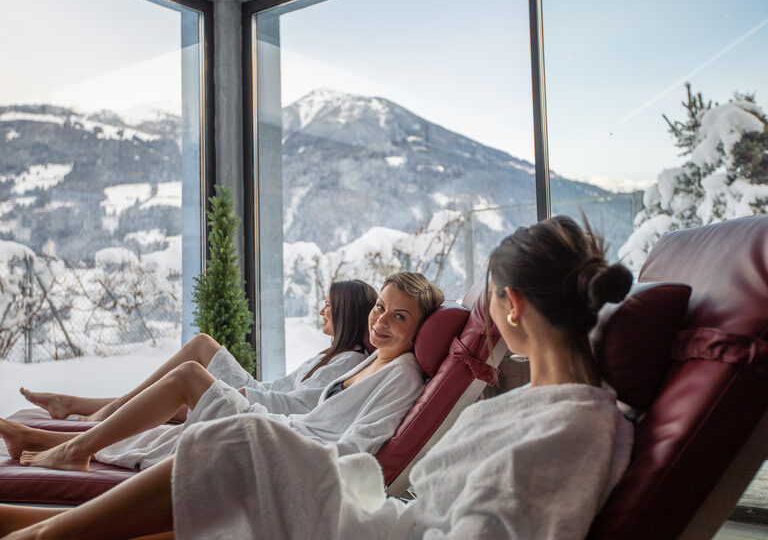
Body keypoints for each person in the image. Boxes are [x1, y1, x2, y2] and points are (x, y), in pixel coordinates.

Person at [0, 217, 634, 540]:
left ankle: (40, 533)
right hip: (380, 510)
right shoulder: (561, 412)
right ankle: (30, 523)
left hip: (380, 528)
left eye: (490, 302)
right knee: (243, 447)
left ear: (514, 304)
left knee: (244, 441)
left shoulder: (568, 430)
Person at [0, 271, 443, 472]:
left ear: (419, 328)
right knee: (174, 429)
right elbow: (304, 405)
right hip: (280, 423)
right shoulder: (373, 360)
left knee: (190, 374)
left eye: (399, 317)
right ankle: (50, 440)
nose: (381, 321)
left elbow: (356, 451)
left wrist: (268, 420)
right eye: (381, 308)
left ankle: (76, 444)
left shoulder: (401, 376)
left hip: (289, 444)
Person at [18, 279, 378, 421]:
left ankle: (94, 410)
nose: (322, 310)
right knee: (197, 357)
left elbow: (302, 405)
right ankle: (84, 406)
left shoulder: (347, 362)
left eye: (328, 304)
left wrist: (243, 392)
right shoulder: (329, 354)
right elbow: (284, 388)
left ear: (346, 312)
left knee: (196, 360)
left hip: (259, 406)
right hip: (259, 393)